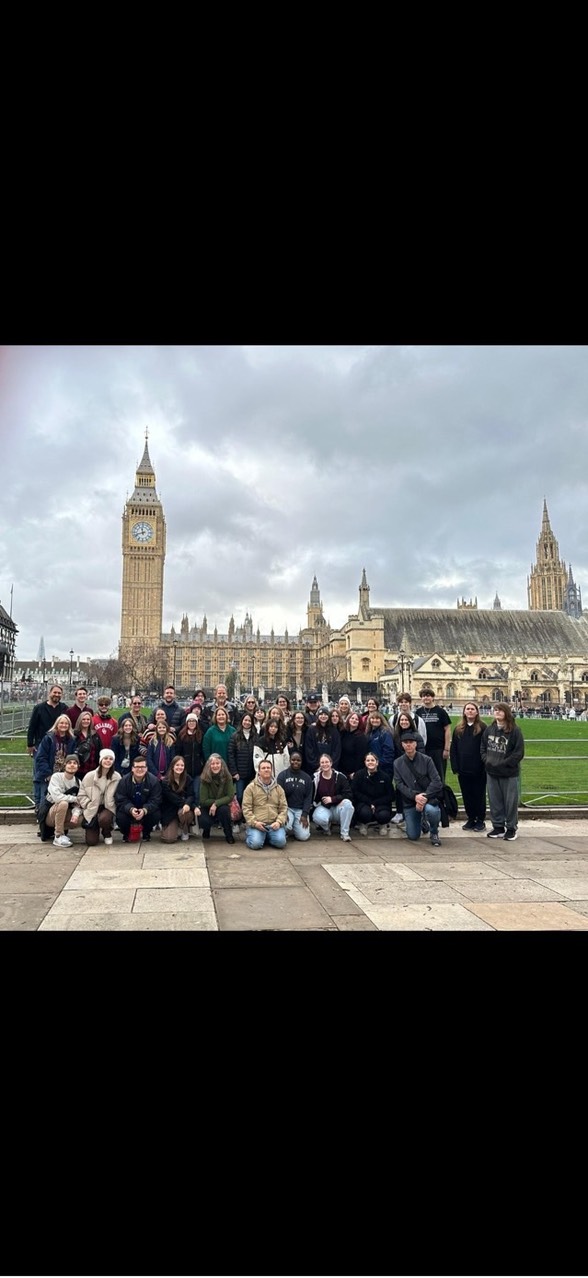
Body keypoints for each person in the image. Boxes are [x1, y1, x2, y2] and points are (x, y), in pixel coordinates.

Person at [480, 703, 525, 841]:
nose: (497, 712)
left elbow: (518, 753)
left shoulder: (515, 731)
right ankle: (498, 826)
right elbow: (483, 748)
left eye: (500, 710)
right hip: (492, 771)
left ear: (506, 713)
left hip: (508, 773)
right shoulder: (489, 730)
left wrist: (504, 764)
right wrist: (487, 760)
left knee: (510, 802)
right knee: (495, 801)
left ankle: (511, 828)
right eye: (495, 710)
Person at [393, 731, 443, 847]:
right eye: (406, 743)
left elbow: (437, 781)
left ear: (416, 744)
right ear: (402, 745)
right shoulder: (397, 763)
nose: (408, 745)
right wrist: (415, 796)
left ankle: (434, 832)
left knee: (432, 811)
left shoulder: (427, 760)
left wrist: (423, 797)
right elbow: (399, 785)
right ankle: (421, 822)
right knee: (413, 836)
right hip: (410, 801)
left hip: (427, 798)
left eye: (411, 742)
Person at [27, 683, 69, 811]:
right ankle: (38, 803)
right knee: (40, 776)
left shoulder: (64, 708)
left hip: (58, 745)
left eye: (59, 693)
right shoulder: (39, 708)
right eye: (54, 692)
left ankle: (52, 804)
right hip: (40, 745)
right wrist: (30, 744)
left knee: (55, 776)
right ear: (49, 693)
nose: (56, 695)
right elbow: (32, 726)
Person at [450, 702, 487, 831]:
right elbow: (453, 748)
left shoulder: (483, 728)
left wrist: (483, 766)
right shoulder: (458, 729)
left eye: (472, 709)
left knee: (479, 795)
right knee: (467, 795)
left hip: (478, 769)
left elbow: (485, 749)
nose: (470, 711)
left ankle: (480, 820)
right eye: (468, 709)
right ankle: (471, 818)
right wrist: (455, 766)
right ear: (464, 712)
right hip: (463, 769)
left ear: (477, 712)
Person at [78, 748, 121, 846]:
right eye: (106, 758)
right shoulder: (90, 776)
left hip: (108, 806)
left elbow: (120, 794)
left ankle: (106, 831)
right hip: (92, 806)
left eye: (111, 759)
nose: (108, 761)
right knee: (91, 842)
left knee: (104, 819)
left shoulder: (117, 777)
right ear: (101, 760)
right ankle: (95, 827)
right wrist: (88, 804)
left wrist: (115, 804)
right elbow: (81, 795)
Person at [242, 758, 288, 850]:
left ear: (272, 770)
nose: (266, 770)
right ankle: (253, 835)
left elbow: (283, 808)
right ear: (259, 771)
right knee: (255, 844)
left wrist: (279, 822)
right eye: (263, 768)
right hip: (257, 824)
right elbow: (246, 808)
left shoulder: (279, 789)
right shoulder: (250, 788)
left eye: (268, 768)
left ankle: (266, 837)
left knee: (281, 843)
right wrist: (254, 823)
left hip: (273, 824)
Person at [115, 756, 162, 842]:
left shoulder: (154, 781)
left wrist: (144, 810)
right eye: (137, 767)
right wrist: (131, 809)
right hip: (129, 810)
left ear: (146, 768)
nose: (140, 769)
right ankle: (126, 833)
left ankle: (146, 832)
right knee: (120, 817)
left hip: (145, 810)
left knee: (156, 814)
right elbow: (120, 799)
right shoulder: (124, 781)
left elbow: (156, 800)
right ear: (132, 768)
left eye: (142, 767)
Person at [34, 714, 76, 806]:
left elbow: (72, 757)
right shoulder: (48, 738)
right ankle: (41, 819)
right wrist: (48, 774)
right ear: (57, 724)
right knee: (45, 802)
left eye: (66, 723)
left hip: (63, 776)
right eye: (61, 723)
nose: (64, 725)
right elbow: (41, 757)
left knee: (60, 801)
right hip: (48, 775)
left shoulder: (71, 740)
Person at [312, 752, 354, 841]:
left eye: (327, 762)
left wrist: (333, 799)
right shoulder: (315, 778)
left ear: (331, 763)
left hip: (338, 807)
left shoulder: (340, 777)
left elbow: (349, 794)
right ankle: (327, 829)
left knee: (348, 804)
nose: (325, 764)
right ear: (319, 764)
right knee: (317, 817)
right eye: (322, 762)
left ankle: (344, 833)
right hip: (324, 807)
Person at [44, 753, 83, 847]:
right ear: (65, 765)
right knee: (63, 803)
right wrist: (74, 799)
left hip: (67, 813)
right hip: (50, 813)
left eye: (75, 763)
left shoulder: (78, 782)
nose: (72, 765)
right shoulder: (56, 777)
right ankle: (58, 835)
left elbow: (80, 801)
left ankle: (62, 831)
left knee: (81, 817)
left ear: (78, 766)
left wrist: (76, 812)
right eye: (69, 763)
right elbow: (57, 797)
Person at [196, 753, 235, 844]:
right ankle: (207, 829)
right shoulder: (204, 778)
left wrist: (216, 804)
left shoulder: (227, 777)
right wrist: (214, 804)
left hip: (222, 805)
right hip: (207, 806)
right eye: (213, 764)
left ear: (222, 764)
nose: (215, 766)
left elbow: (230, 796)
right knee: (203, 820)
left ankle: (229, 834)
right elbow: (203, 800)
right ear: (209, 765)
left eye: (217, 763)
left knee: (224, 811)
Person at [352, 752, 393, 836]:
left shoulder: (385, 777)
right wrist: (369, 803)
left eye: (372, 760)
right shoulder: (359, 775)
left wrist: (375, 803)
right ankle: (363, 824)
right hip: (364, 803)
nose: (370, 762)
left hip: (381, 803)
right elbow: (355, 792)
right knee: (365, 813)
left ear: (377, 762)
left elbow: (390, 795)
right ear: (365, 762)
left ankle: (383, 825)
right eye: (368, 760)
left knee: (383, 815)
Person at [414, 689, 451, 780]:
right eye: (423, 696)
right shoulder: (418, 713)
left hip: (438, 749)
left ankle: (440, 794)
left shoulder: (441, 712)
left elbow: (447, 730)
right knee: (424, 775)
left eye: (428, 695)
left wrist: (446, 749)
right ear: (421, 698)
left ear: (432, 697)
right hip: (423, 749)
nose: (426, 698)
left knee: (439, 775)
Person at [276, 751, 313, 841]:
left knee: (303, 837)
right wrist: (283, 812)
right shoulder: (282, 776)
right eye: (293, 760)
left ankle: (296, 827)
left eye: (298, 760)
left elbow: (308, 798)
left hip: (300, 810)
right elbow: (279, 796)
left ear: (301, 761)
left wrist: (304, 814)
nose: (295, 762)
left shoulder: (307, 778)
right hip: (287, 808)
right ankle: (289, 828)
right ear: (289, 760)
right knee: (286, 826)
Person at [160, 756, 196, 843]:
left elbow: (191, 795)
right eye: (177, 765)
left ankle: (185, 829)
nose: (180, 767)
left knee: (184, 813)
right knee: (169, 839)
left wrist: (188, 804)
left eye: (182, 765)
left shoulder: (188, 779)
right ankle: (171, 826)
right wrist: (190, 805)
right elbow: (174, 798)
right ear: (172, 766)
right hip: (170, 811)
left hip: (183, 810)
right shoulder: (165, 781)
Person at [228, 711, 256, 804]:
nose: (247, 722)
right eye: (245, 720)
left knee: (251, 797)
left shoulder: (255, 736)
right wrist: (234, 772)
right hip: (240, 774)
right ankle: (240, 816)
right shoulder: (235, 736)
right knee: (240, 796)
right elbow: (231, 754)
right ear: (242, 721)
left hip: (252, 773)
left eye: (249, 721)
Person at [175, 713, 205, 801]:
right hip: (185, 769)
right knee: (184, 791)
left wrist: (202, 764)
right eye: (190, 721)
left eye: (193, 721)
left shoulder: (200, 734)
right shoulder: (181, 735)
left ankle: (196, 809)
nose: (191, 723)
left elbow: (203, 752)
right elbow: (178, 751)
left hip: (197, 769)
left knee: (196, 791)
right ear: (187, 723)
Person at [305, 706, 342, 772]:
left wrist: (329, 765)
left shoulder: (334, 730)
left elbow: (337, 749)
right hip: (315, 768)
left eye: (325, 714)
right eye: (321, 714)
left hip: (331, 767)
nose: (323, 716)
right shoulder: (312, 729)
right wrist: (317, 765)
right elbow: (309, 749)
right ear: (318, 716)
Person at [339, 710, 369, 781]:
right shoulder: (344, 733)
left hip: (353, 772)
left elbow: (361, 757)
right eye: (352, 718)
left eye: (356, 719)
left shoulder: (361, 737)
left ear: (359, 722)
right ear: (348, 719)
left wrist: (356, 772)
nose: (354, 720)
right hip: (342, 769)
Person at [364, 709, 394, 777]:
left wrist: (378, 764)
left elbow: (388, 751)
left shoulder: (385, 733)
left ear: (381, 720)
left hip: (383, 768)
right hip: (372, 767)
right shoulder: (369, 733)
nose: (375, 720)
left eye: (377, 718)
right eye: (372, 718)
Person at [73, 710, 102, 779]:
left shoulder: (95, 735)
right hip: (77, 770)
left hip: (92, 769)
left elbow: (100, 750)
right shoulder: (74, 735)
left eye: (88, 719)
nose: (86, 721)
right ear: (80, 720)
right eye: (83, 719)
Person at [146, 717, 177, 781]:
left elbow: (172, 759)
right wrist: (157, 774)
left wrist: (168, 774)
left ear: (167, 729)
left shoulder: (170, 742)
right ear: (156, 729)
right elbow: (149, 759)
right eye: (159, 728)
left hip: (167, 774)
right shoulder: (152, 742)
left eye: (163, 727)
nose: (161, 729)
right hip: (154, 774)